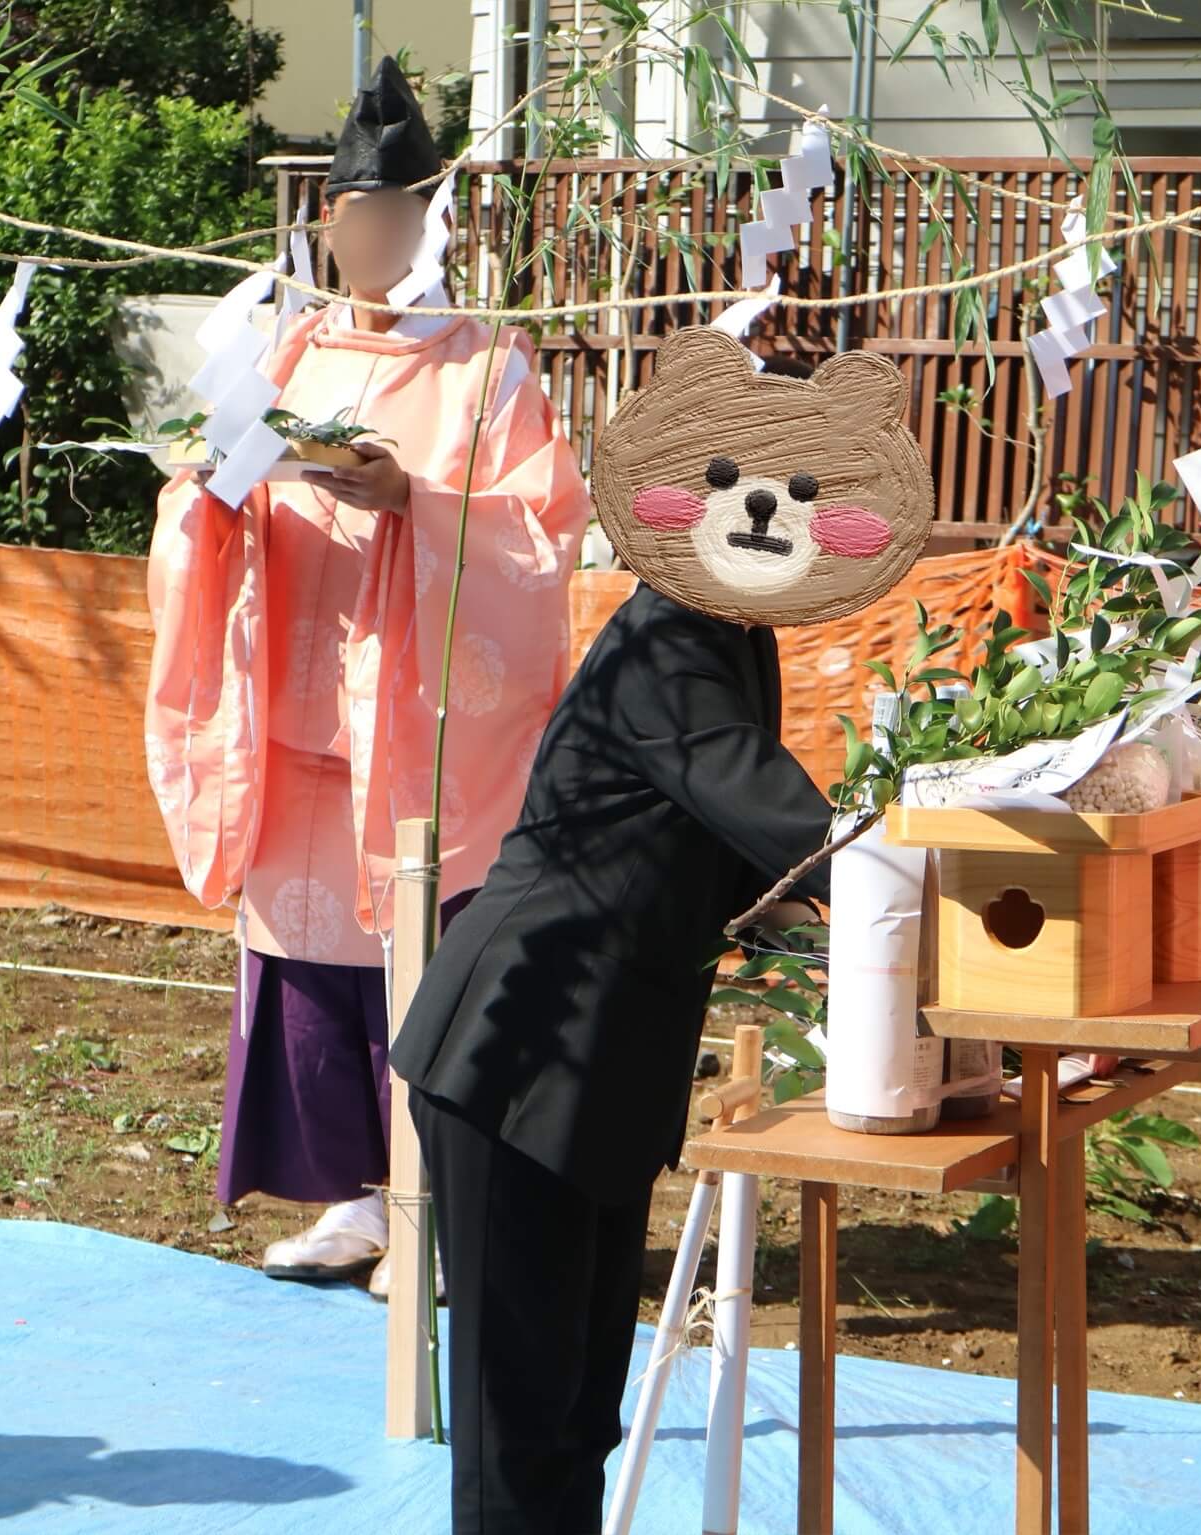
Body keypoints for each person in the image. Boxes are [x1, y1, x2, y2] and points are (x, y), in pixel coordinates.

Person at [390, 327, 936, 1531]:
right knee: (518, 1423)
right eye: (741, 484)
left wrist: (874, 921)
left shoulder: (732, 634)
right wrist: (930, 884)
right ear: (682, 494)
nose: (764, 513)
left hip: (607, 1058)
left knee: (582, 1407)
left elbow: (745, 858)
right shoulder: (666, 642)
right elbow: (773, 815)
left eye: (799, 493)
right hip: (519, 1045)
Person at [144, 56, 590, 1296]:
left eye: (398, 217)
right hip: (289, 693)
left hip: (416, 703)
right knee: (306, 956)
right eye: (355, 218)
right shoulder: (290, 348)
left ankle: (438, 1203)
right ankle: (351, 1197)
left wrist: (413, 499)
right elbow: (208, 488)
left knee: (424, 958)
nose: (373, 237)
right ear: (329, 222)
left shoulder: (484, 359)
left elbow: (540, 528)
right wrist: (209, 491)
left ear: (428, 222)